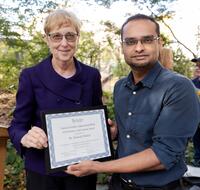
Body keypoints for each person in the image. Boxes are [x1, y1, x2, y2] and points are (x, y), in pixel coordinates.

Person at [66, 14, 200, 190]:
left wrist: (98, 167)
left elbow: (164, 154)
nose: (138, 48)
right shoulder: (120, 87)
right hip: (118, 184)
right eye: (130, 42)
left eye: (147, 40)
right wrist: (114, 132)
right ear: (122, 47)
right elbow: (131, 133)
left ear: (159, 43)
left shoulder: (178, 87)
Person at [8, 9, 103, 190]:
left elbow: (96, 119)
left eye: (70, 36)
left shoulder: (91, 75)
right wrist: (24, 137)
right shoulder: (31, 76)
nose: (64, 43)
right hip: (42, 171)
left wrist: (107, 129)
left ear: (78, 38)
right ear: (47, 40)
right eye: (57, 36)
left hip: (81, 168)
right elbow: (17, 126)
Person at [191, 57, 200, 167]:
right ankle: (197, 160)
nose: (197, 68)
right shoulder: (191, 83)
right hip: (196, 119)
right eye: (196, 66)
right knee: (197, 139)